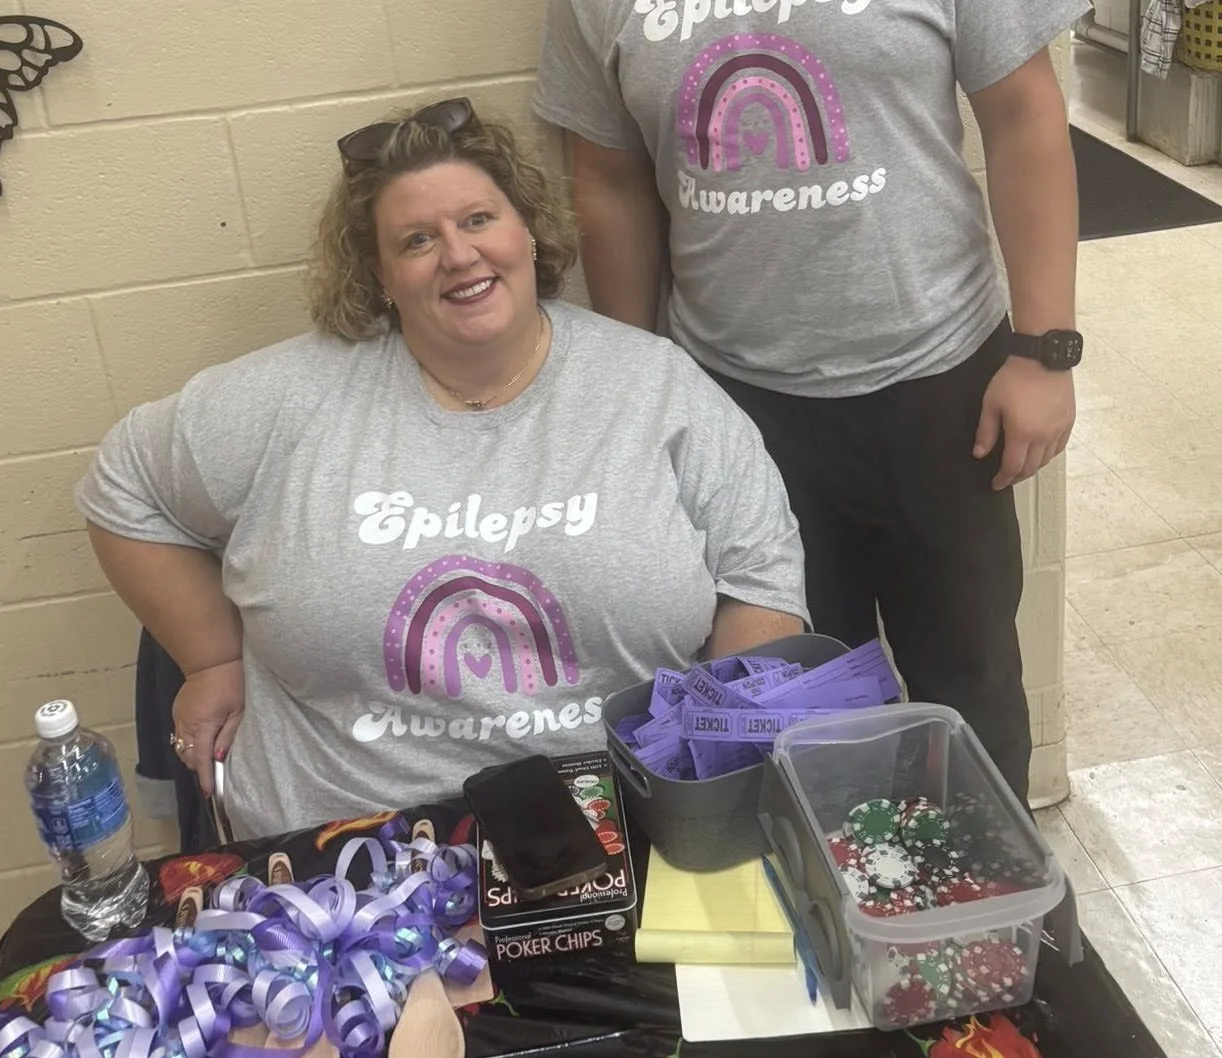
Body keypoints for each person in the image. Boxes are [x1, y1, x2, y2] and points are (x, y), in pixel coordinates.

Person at [535, 0, 1087, 803]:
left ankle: (983, 964)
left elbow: (1026, 117)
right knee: (779, 723)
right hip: (742, 413)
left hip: (943, 390)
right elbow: (609, 186)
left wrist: (1044, 345)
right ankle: (831, 970)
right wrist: (638, 396)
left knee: (968, 704)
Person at [77, 98, 808, 837]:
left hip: (616, 828)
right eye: (418, 239)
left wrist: (713, 771)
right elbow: (122, 489)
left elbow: (761, 577)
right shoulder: (287, 399)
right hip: (345, 856)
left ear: (528, 228)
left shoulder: (656, 386)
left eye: (479, 220)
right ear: (380, 274)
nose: (459, 256)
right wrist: (208, 660)